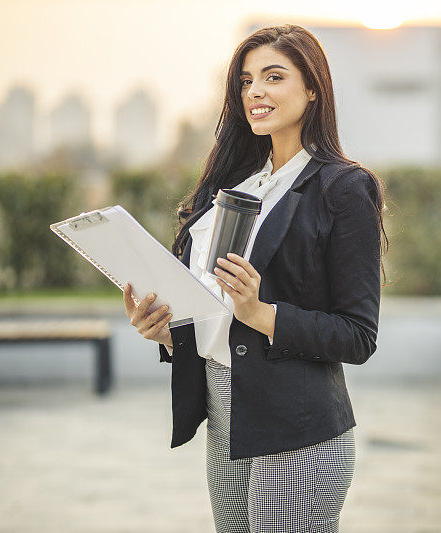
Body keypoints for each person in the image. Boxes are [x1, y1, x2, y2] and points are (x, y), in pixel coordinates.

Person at [121, 23, 388, 532]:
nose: (256, 92)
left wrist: (262, 313)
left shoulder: (342, 188)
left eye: (273, 76)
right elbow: (214, 317)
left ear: (313, 89)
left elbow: (358, 335)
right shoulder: (235, 188)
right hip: (227, 425)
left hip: (297, 433)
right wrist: (167, 329)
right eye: (246, 81)